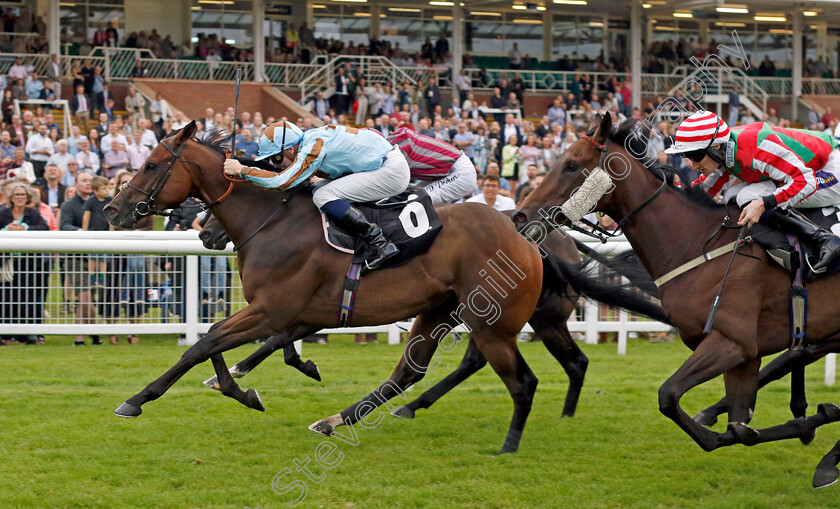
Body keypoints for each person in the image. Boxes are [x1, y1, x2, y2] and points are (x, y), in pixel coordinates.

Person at [665, 110, 840, 272]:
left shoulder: (759, 147)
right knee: (733, 195)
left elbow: (805, 181)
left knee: (748, 196)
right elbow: (705, 190)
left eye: (695, 156)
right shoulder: (725, 149)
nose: (692, 164)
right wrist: (672, 195)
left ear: (716, 147)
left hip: (829, 171)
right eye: (686, 156)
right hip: (808, 170)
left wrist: (765, 203)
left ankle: (823, 239)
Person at [223, 121, 410, 270]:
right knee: (318, 189)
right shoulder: (311, 138)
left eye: (276, 158)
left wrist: (242, 170)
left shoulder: (312, 146)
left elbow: (281, 181)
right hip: (381, 165)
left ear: (289, 149)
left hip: (390, 172)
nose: (276, 164)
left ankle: (380, 243)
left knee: (323, 196)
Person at [0, 182, 49, 345]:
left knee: (25, 297)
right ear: (11, 197)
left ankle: (26, 335)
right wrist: (7, 229)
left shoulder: (33, 213)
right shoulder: (3, 212)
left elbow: (44, 228)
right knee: (6, 298)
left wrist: (24, 229)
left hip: (26, 264)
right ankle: (6, 335)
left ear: (27, 197)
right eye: (17, 195)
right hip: (6, 263)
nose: (20, 198)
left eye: (23, 195)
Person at [388, 126, 477, 204]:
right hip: (449, 170)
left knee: (416, 202)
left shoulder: (398, 146)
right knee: (409, 196)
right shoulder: (393, 144)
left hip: (460, 171)